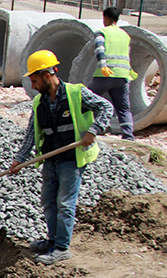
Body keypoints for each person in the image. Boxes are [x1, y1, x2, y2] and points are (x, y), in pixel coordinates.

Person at [8, 50, 112, 265]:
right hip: (50, 158)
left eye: (35, 80)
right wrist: (20, 158)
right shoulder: (39, 102)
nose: (33, 86)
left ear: (47, 75)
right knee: (48, 202)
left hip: (71, 159)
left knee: (65, 203)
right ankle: (53, 240)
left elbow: (106, 107)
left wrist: (94, 130)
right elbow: (31, 133)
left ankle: (62, 248)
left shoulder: (77, 94)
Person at [89, 6, 136, 140]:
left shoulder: (102, 32)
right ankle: (128, 135)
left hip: (105, 75)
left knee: (85, 100)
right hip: (122, 76)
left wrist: (103, 65)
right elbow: (126, 54)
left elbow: (99, 49)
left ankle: (92, 128)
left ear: (106, 18)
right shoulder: (125, 35)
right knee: (123, 108)